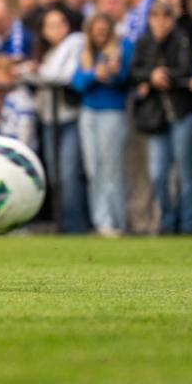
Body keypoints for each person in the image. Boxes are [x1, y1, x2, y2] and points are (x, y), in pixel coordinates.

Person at [131, 0, 192, 235]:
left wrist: (166, 75)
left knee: (185, 173)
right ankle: (168, 222)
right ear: (149, 19)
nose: (160, 22)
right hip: (156, 117)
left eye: (166, 17)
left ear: (173, 19)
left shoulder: (183, 40)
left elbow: (188, 68)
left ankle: (188, 224)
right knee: (158, 173)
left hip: (182, 112)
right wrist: (151, 76)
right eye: (156, 16)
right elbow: (134, 71)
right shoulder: (144, 42)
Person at [72, 13, 131, 237]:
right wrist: (93, 75)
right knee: (93, 168)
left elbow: (128, 78)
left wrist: (115, 74)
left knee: (111, 167)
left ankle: (117, 220)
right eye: (97, 33)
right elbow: (76, 82)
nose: (101, 37)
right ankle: (101, 221)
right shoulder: (85, 53)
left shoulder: (123, 48)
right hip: (89, 113)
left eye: (104, 33)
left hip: (113, 112)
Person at [32, 7, 87, 233]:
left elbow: (64, 75)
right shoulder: (47, 53)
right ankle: (62, 224)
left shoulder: (76, 42)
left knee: (68, 174)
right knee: (54, 176)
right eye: (50, 25)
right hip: (48, 119)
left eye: (60, 23)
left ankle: (76, 226)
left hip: (68, 118)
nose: (56, 29)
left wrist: (37, 70)